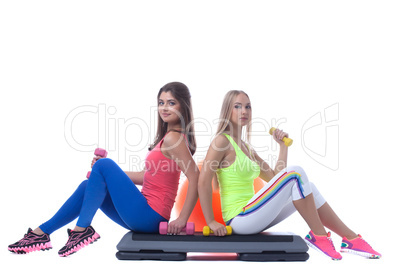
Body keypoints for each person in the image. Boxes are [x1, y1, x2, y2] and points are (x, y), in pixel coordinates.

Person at [8, 82, 199, 257]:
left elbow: (195, 176)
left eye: (171, 103)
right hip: (144, 213)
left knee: (103, 165)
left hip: (150, 215)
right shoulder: (167, 138)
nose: (164, 108)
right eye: (161, 102)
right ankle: (41, 234)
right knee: (88, 185)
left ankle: (81, 231)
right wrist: (108, 176)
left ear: (183, 106)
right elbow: (146, 177)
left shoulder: (174, 139)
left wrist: (182, 218)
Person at [198, 90, 381, 260]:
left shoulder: (247, 148)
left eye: (248, 106)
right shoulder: (221, 141)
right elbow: (204, 181)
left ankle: (351, 238)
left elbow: (275, 177)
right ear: (227, 110)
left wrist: (282, 147)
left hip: (253, 215)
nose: (244, 110)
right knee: (297, 174)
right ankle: (319, 235)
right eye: (237, 106)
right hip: (239, 219)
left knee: (307, 187)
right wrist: (211, 221)